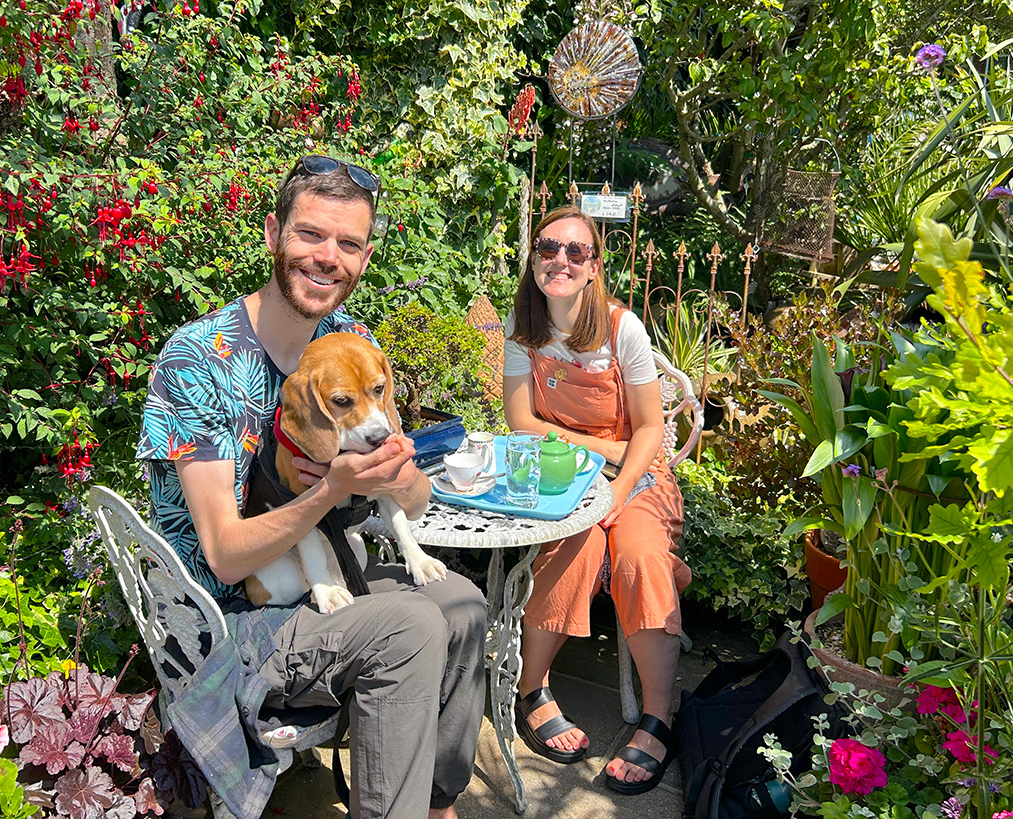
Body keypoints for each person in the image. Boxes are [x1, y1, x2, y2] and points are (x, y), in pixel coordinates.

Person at [137, 155, 487, 819]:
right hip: (230, 620)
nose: (328, 257)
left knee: (463, 603)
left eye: (348, 243)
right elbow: (224, 556)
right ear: (273, 233)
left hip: (323, 581)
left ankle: (436, 805)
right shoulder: (197, 360)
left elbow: (413, 501)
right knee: (410, 624)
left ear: (365, 256)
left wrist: (400, 472)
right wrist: (330, 490)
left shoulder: (351, 342)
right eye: (310, 235)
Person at [501, 205, 690, 795]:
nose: (559, 259)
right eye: (548, 248)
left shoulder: (620, 328)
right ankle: (531, 687)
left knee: (638, 555)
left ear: (593, 267)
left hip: (637, 472)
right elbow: (518, 418)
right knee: (574, 545)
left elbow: (650, 430)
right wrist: (592, 447)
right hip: (567, 472)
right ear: (534, 258)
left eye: (575, 252)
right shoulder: (523, 326)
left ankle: (659, 716)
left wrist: (615, 481)